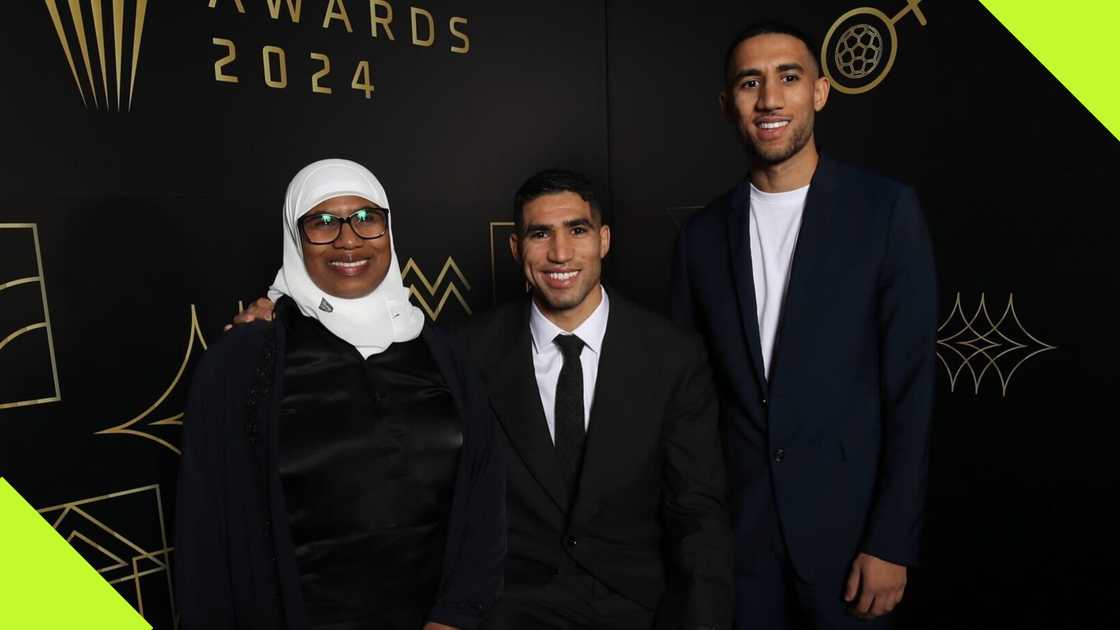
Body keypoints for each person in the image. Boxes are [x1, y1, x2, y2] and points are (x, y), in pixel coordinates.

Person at [670, 22, 937, 629]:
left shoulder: (886, 213)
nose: (769, 98)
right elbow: (689, 405)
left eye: (788, 78)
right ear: (727, 104)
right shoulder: (700, 238)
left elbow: (911, 388)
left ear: (819, 91)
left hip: (852, 545)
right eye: (749, 82)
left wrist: (893, 539)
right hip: (739, 550)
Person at [175, 159, 505, 630]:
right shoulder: (243, 360)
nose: (348, 239)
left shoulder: (446, 356)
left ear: (389, 229)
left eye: (366, 218)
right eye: (323, 223)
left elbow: (484, 497)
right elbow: (205, 536)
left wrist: (454, 617)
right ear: (296, 238)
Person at [470, 169, 733, 630]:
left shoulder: (673, 356)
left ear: (604, 240)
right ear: (515, 249)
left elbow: (698, 516)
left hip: (637, 610)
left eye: (577, 230)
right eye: (539, 234)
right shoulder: (468, 353)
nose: (560, 253)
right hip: (511, 613)